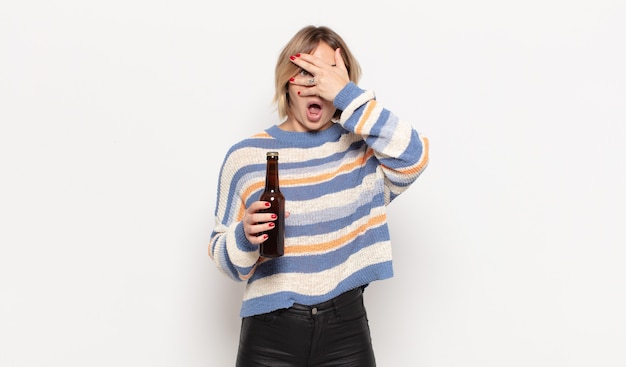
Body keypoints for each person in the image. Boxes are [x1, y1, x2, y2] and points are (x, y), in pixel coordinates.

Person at [209, 25, 429, 367]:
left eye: (326, 75)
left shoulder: (362, 150)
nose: (315, 85)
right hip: (269, 334)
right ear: (287, 81)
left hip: (346, 331)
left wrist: (349, 97)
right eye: (305, 73)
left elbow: (413, 157)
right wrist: (244, 236)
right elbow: (223, 258)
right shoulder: (246, 157)